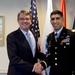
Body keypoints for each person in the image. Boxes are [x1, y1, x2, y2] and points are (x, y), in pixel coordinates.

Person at [6, 10, 46, 75]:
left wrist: (46, 56)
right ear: (18, 21)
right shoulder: (12, 37)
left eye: (27, 19)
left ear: (30, 21)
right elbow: (14, 59)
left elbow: (34, 53)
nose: (24, 21)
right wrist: (33, 67)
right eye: (21, 19)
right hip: (17, 73)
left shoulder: (34, 34)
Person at [38, 10, 75, 75]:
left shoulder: (72, 35)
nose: (55, 21)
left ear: (63, 20)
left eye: (58, 18)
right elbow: (51, 57)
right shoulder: (50, 37)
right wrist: (42, 64)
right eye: (52, 19)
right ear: (50, 21)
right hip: (54, 72)